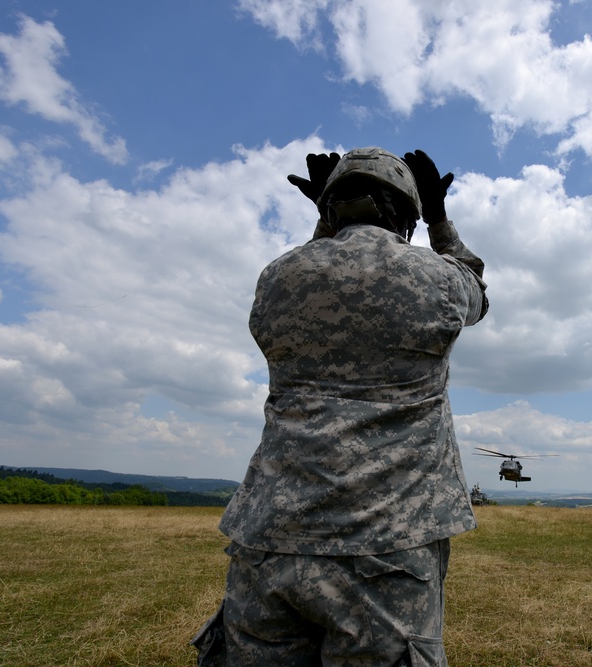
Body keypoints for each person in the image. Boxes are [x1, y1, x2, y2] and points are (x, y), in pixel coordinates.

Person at [192, 146, 488, 666]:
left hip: (268, 543)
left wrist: (325, 221)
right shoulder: (437, 279)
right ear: (404, 215)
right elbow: (475, 288)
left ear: (330, 208)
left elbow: (315, 268)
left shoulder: (277, 278)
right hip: (385, 549)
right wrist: (440, 220)